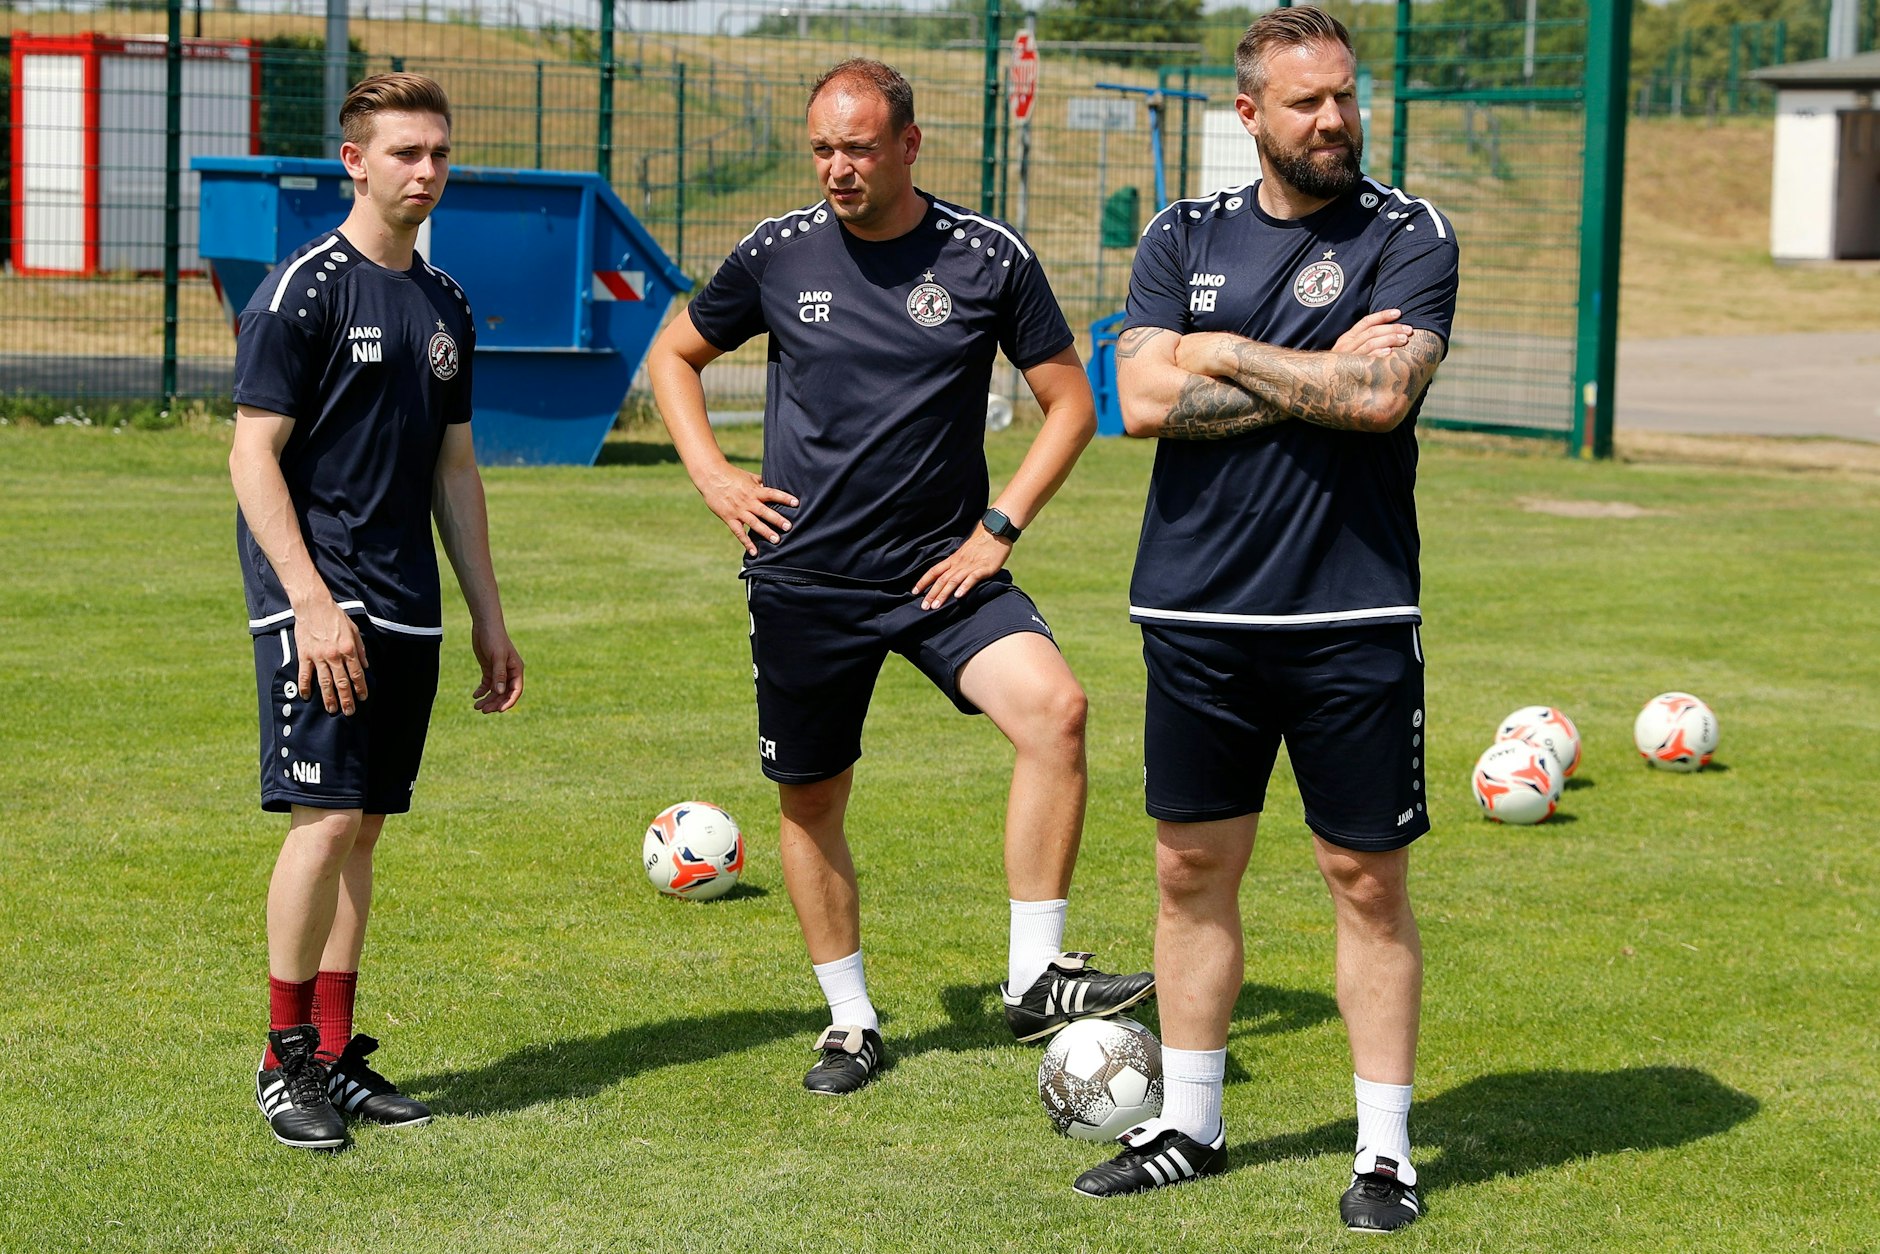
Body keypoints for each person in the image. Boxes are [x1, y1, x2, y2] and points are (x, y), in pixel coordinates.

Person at [647, 58, 1152, 1096]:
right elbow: (674, 357)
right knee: (809, 801)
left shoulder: (984, 259)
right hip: (804, 581)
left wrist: (998, 527)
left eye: (859, 148)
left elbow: (1070, 403)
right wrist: (711, 474)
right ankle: (849, 1021)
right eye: (823, 148)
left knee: (1056, 710)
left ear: (908, 146)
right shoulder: (777, 254)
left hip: (938, 574)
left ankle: (1033, 973)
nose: (837, 167)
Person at [1070, 8, 1457, 1234]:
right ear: (1247, 115)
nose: (1333, 118)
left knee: (1362, 879)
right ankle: (1188, 1122)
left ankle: (1383, 1152)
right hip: (1192, 612)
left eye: (1342, 95)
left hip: (1351, 609)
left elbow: (1381, 395)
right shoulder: (1177, 233)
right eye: (1305, 102)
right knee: (1188, 871)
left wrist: (1225, 347)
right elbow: (1134, 401)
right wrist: (1309, 372)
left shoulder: (1408, 232)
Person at [229, 72, 524, 1151]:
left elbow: (456, 469)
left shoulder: (443, 302)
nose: (427, 171)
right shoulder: (304, 289)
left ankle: (336, 1053)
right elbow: (250, 455)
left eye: (439, 152)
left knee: (367, 830)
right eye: (406, 152)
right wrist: (309, 602)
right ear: (355, 160)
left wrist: (488, 615)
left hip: (406, 604)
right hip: (318, 596)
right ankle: (282, 1058)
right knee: (326, 820)